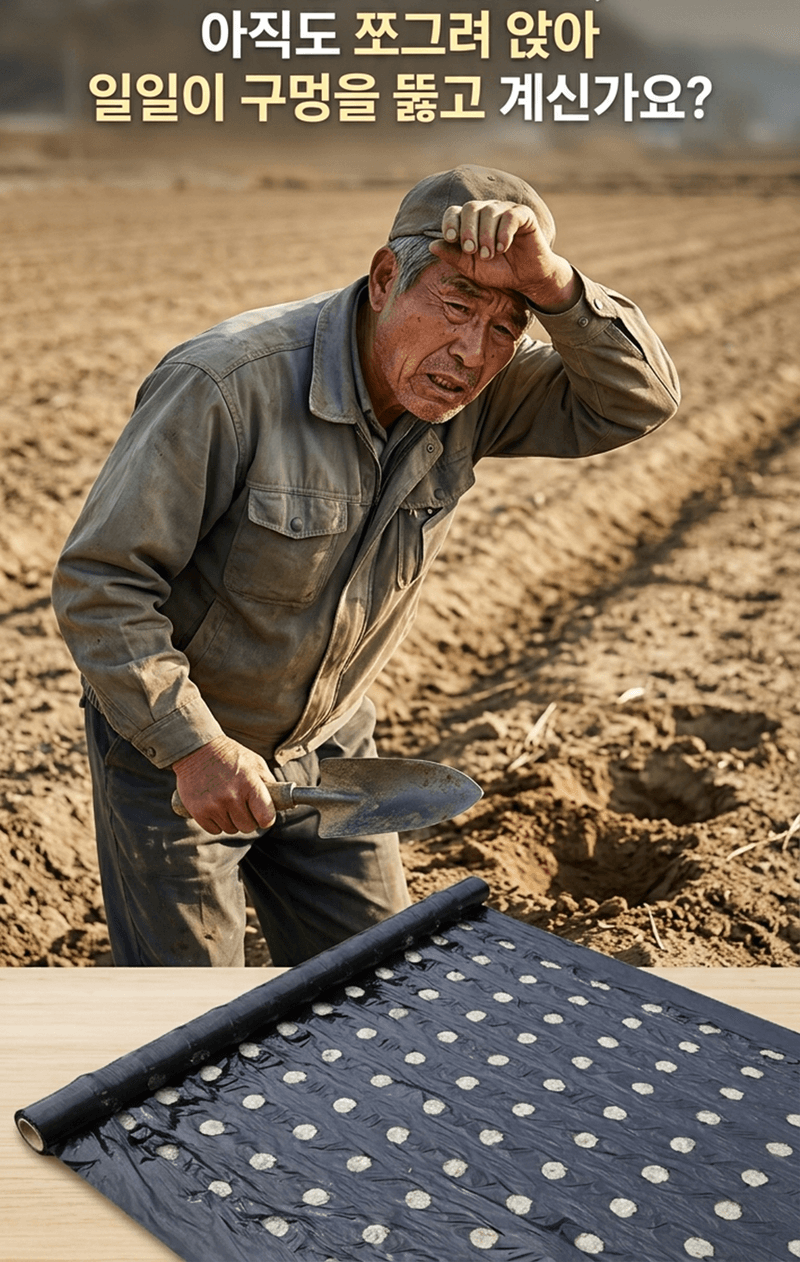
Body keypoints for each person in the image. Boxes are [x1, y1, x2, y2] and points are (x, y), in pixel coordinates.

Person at [52, 164, 680, 967]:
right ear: (386, 278)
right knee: (187, 1025)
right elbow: (101, 587)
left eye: (505, 326)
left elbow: (639, 400)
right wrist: (192, 748)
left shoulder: (474, 394)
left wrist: (556, 286)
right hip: (181, 757)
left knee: (376, 992)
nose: (471, 351)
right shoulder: (227, 385)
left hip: (331, 756)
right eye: (456, 305)